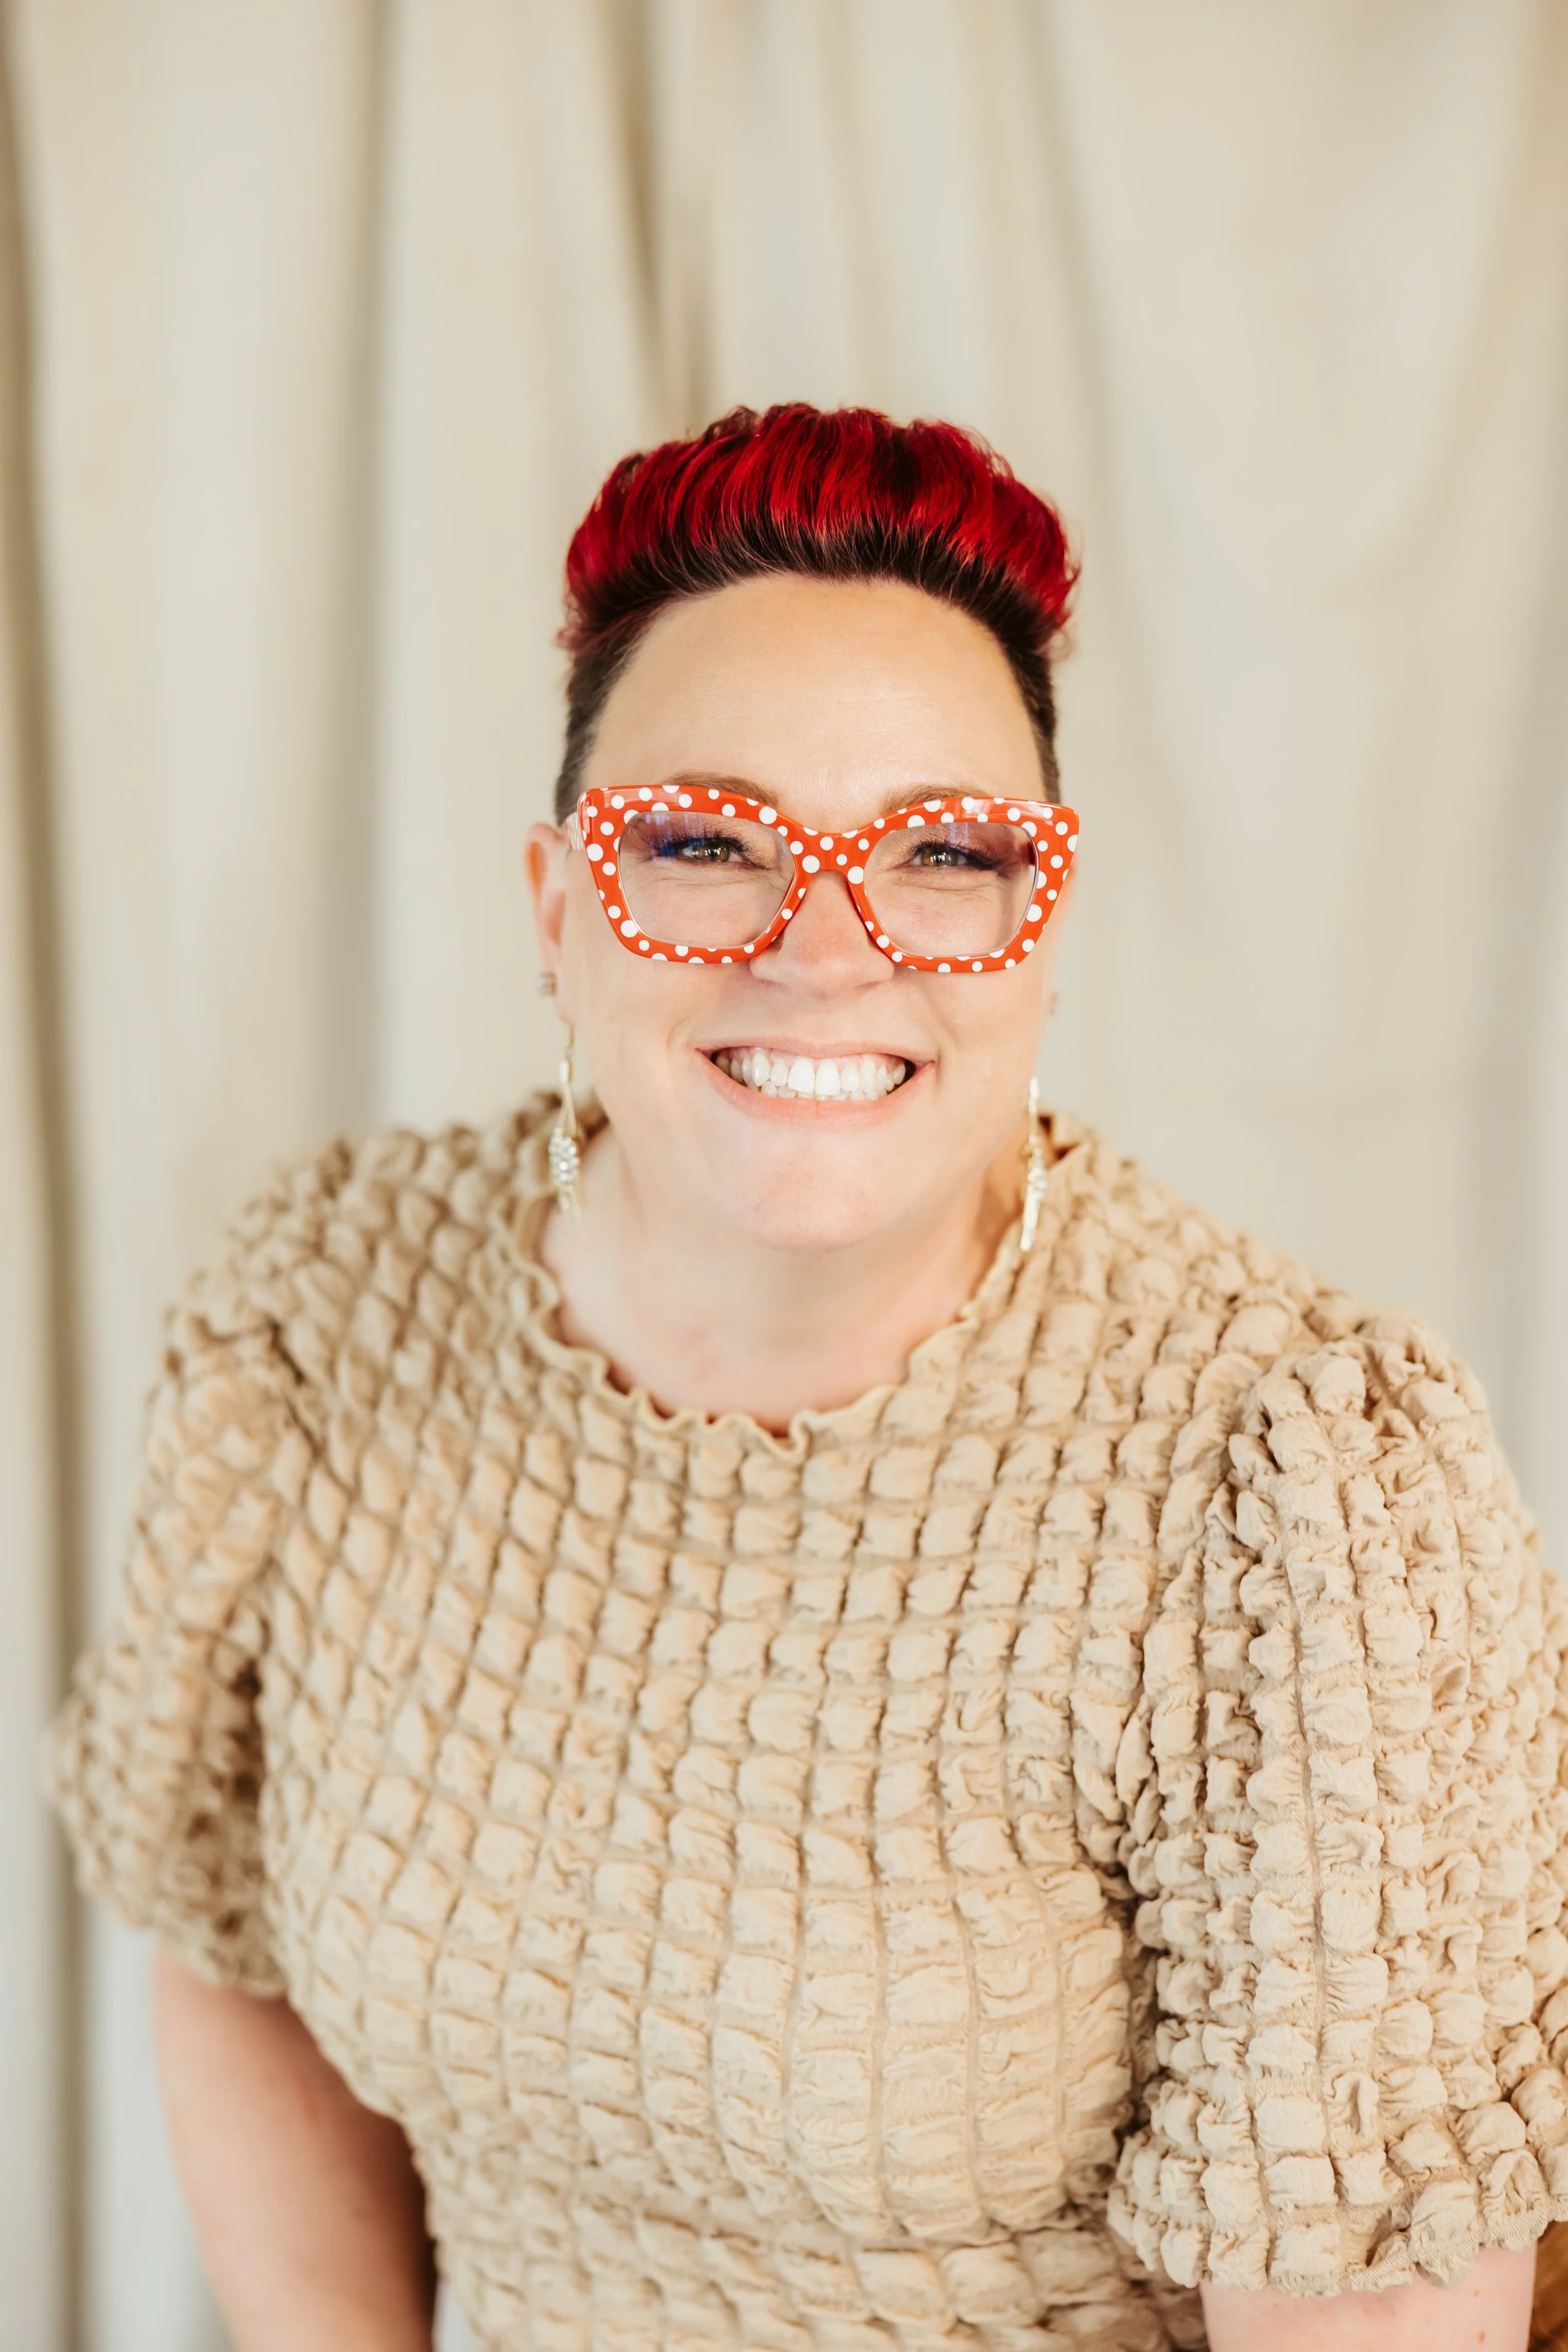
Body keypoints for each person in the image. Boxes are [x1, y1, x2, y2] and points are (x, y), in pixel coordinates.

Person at [50, 405, 1564, 2352]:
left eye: (944, 851)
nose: (826, 946)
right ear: (550, 907)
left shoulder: (1297, 1488)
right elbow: (228, 1936)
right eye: (699, 842)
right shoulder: (323, 1320)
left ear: (1042, 926)